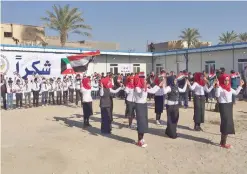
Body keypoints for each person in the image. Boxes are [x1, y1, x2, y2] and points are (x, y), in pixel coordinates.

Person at [134, 72, 164, 148]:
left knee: (144, 123)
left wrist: (158, 85)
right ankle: (140, 140)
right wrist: (144, 87)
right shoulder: (137, 87)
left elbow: (153, 91)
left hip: (144, 105)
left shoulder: (144, 87)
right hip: (139, 105)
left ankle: (141, 139)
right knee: (141, 123)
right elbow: (140, 94)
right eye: (143, 79)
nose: (145, 80)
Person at [215, 74, 244, 149]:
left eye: (228, 80)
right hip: (223, 106)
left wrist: (240, 85)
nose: (227, 82)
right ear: (222, 80)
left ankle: (222, 142)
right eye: (225, 80)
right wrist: (217, 86)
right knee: (225, 123)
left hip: (229, 106)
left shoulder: (229, 88)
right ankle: (223, 143)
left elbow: (236, 93)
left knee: (228, 123)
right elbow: (217, 95)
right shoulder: (220, 87)